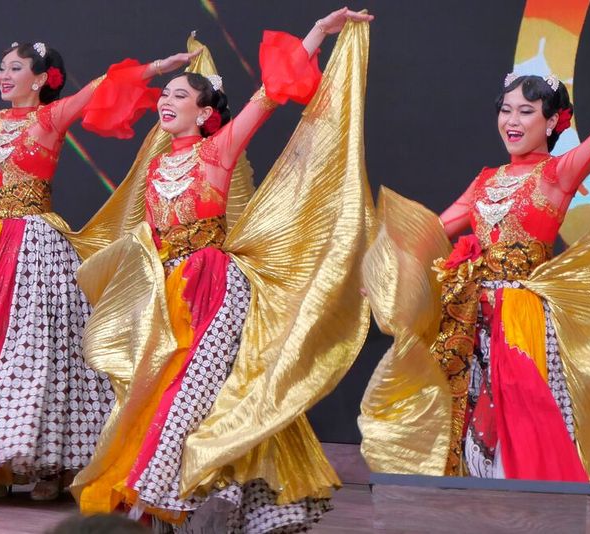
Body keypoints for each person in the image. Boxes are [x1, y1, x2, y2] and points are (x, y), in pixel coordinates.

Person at [70, 8, 374, 532]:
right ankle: (176, 504)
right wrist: (151, 72)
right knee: (157, 394)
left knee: (198, 395)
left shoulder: (220, 148)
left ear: (206, 111)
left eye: (179, 96)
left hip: (211, 288)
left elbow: (272, 92)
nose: (166, 102)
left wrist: (320, 31)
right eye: (164, 97)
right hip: (163, 290)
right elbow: (103, 103)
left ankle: (172, 502)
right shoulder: (159, 161)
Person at [0, 41, 198, 501]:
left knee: (42, 351)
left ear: (40, 79)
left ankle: (55, 466)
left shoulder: (51, 117)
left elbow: (106, 85)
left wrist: (160, 67)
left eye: (15, 68)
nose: (4, 76)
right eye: (1, 67)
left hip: (37, 245)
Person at [359, 76, 590, 483]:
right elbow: (432, 230)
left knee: (520, 434)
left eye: (526, 111)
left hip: (522, 322)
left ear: (551, 123)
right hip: (470, 321)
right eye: (506, 110)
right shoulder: (485, 180)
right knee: (464, 422)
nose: (512, 121)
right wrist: (383, 270)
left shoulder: (557, 174)